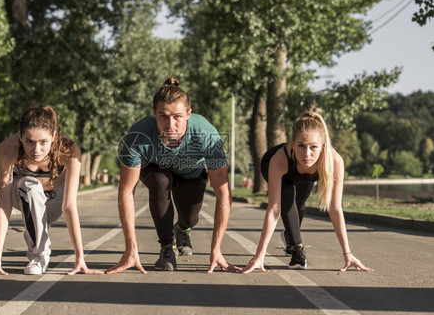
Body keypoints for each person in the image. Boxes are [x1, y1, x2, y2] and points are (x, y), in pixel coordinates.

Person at [106, 77, 240, 273]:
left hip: (191, 173)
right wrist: (130, 249)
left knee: (190, 218)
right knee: (161, 181)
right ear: (154, 114)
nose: (170, 124)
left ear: (188, 114)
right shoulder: (138, 135)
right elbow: (126, 191)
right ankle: (167, 248)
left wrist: (216, 249)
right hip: (155, 168)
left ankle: (183, 229)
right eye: (163, 116)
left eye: (177, 116)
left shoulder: (206, 134)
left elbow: (223, 192)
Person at [0, 105, 101, 276]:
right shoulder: (7, 149)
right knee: (29, 187)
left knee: (40, 215)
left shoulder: (69, 150)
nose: (36, 150)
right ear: (20, 136)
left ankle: (37, 234)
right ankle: (38, 255)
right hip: (24, 195)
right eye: (29, 141)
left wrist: (80, 258)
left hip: (56, 198)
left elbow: (69, 205)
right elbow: (4, 202)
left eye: (43, 142)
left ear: (54, 136)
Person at [243, 111, 373, 273]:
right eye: (301, 146)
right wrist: (259, 254)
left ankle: (289, 235)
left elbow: (335, 209)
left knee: (300, 202)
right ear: (292, 143)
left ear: (323, 146)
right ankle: (297, 251)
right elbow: (274, 209)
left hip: (308, 174)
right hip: (275, 167)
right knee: (287, 199)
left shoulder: (335, 161)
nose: (307, 153)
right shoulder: (279, 159)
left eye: (313, 147)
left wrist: (348, 253)